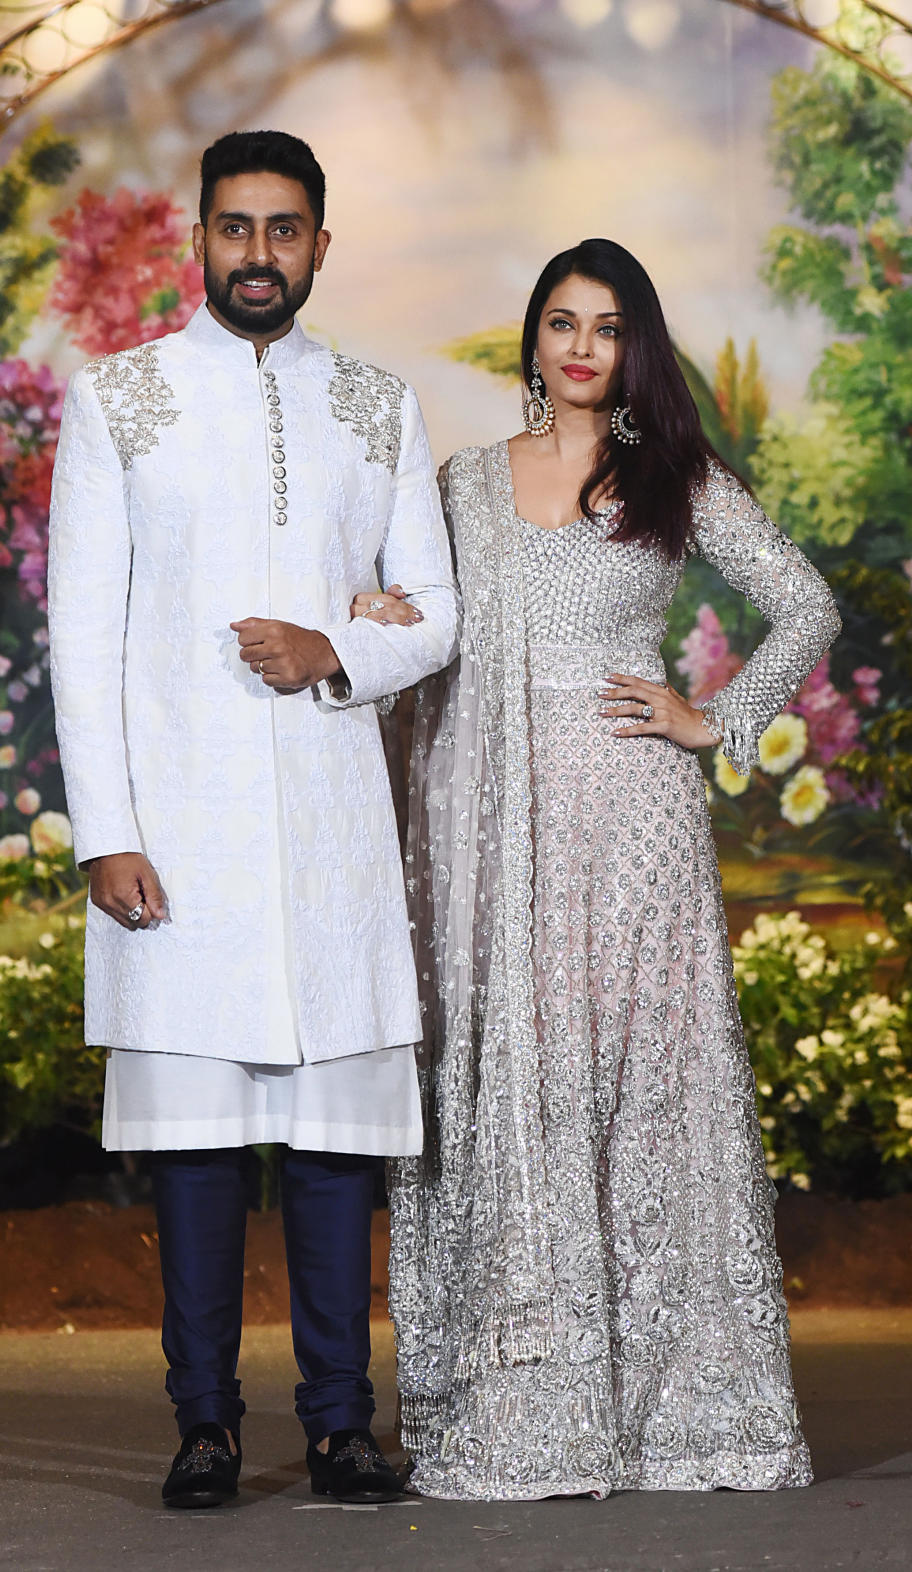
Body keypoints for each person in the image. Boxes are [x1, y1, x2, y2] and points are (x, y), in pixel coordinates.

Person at [357, 239, 841, 1500]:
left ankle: (675, 1408)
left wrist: (713, 720)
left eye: (607, 325)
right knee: (513, 1071)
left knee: (637, 1085)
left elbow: (807, 604)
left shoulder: (675, 475)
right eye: (561, 322)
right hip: (488, 827)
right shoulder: (462, 484)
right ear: (532, 339)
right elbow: (416, 626)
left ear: (636, 346)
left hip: (629, 823)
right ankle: (519, 1398)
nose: (581, 346)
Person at [48, 129, 458, 1508]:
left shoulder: (380, 407)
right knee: (197, 1148)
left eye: (285, 232)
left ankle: (341, 1424)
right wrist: (109, 828)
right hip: (183, 828)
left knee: (339, 1141)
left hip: (332, 823)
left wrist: (338, 647)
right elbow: (80, 638)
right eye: (237, 229)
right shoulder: (121, 403)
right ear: (200, 240)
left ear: (320, 248)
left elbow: (437, 612)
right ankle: (205, 1428)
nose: (259, 255)